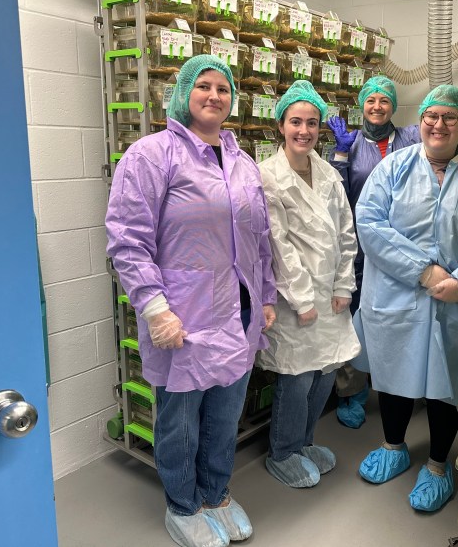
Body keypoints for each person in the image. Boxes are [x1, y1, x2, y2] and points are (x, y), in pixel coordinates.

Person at [106, 55, 277, 547]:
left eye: (223, 89)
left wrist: (264, 297)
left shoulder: (242, 163)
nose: (214, 96)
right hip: (183, 317)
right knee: (180, 422)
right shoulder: (151, 155)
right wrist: (155, 308)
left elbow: (259, 240)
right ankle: (183, 505)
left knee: (225, 415)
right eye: (203, 86)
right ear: (183, 94)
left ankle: (217, 493)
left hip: (237, 314)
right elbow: (127, 239)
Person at [351, 85, 458, 512]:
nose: (439, 124)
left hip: (455, 301)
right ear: (421, 121)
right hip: (397, 294)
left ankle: (437, 465)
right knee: (392, 374)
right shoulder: (393, 167)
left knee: (448, 384)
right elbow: (369, 224)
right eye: (432, 116)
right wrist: (424, 271)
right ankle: (394, 446)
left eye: (450, 117)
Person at [257, 80, 362, 488]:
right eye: (296, 122)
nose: (304, 130)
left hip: (330, 297)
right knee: (297, 376)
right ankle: (282, 452)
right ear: (281, 125)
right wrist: (302, 300)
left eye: (312, 123)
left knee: (325, 372)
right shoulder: (267, 175)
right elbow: (277, 247)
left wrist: (342, 286)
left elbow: (345, 232)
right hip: (293, 297)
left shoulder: (327, 173)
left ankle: (304, 442)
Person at [326, 75, 421, 429]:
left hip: (405, 245)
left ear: (394, 106)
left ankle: (402, 386)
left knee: (400, 317)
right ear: (361, 106)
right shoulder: (349, 144)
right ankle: (352, 392)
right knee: (353, 319)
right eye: (371, 101)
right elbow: (334, 191)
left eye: (384, 100)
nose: (377, 106)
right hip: (361, 246)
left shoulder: (411, 137)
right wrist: (339, 152)